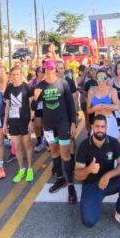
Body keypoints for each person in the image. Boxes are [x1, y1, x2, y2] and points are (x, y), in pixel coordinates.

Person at [75, 114, 120, 230]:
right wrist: (89, 169)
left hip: (109, 182)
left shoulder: (113, 142)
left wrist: (108, 175)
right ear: (92, 127)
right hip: (91, 185)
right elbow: (77, 175)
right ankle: (94, 201)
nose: (100, 130)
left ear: (107, 128)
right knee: (88, 221)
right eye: (97, 126)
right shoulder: (84, 146)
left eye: (102, 126)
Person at [34, 60, 78, 204]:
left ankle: (70, 185)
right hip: (49, 124)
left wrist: (73, 122)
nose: (50, 71)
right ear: (44, 70)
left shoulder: (63, 83)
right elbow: (34, 107)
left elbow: (71, 104)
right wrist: (35, 98)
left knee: (65, 153)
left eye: (52, 69)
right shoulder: (40, 86)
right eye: (47, 69)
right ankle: (60, 179)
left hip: (63, 122)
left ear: (55, 70)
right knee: (53, 151)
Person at [4, 67, 35, 183]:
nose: (15, 77)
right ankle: (21, 169)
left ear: (21, 75)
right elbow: (7, 106)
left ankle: (30, 168)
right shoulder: (9, 88)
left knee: (27, 144)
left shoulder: (27, 87)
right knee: (17, 146)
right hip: (13, 122)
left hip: (25, 121)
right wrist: (5, 122)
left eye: (17, 74)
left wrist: (31, 121)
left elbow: (32, 105)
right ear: (10, 76)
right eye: (13, 74)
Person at [87, 69, 120, 139]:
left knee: (114, 143)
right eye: (98, 78)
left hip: (109, 120)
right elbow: (88, 110)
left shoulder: (112, 90)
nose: (100, 80)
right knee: (97, 143)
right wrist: (94, 108)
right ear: (96, 79)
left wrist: (105, 106)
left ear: (107, 79)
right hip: (97, 120)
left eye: (103, 78)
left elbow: (117, 107)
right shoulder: (91, 91)